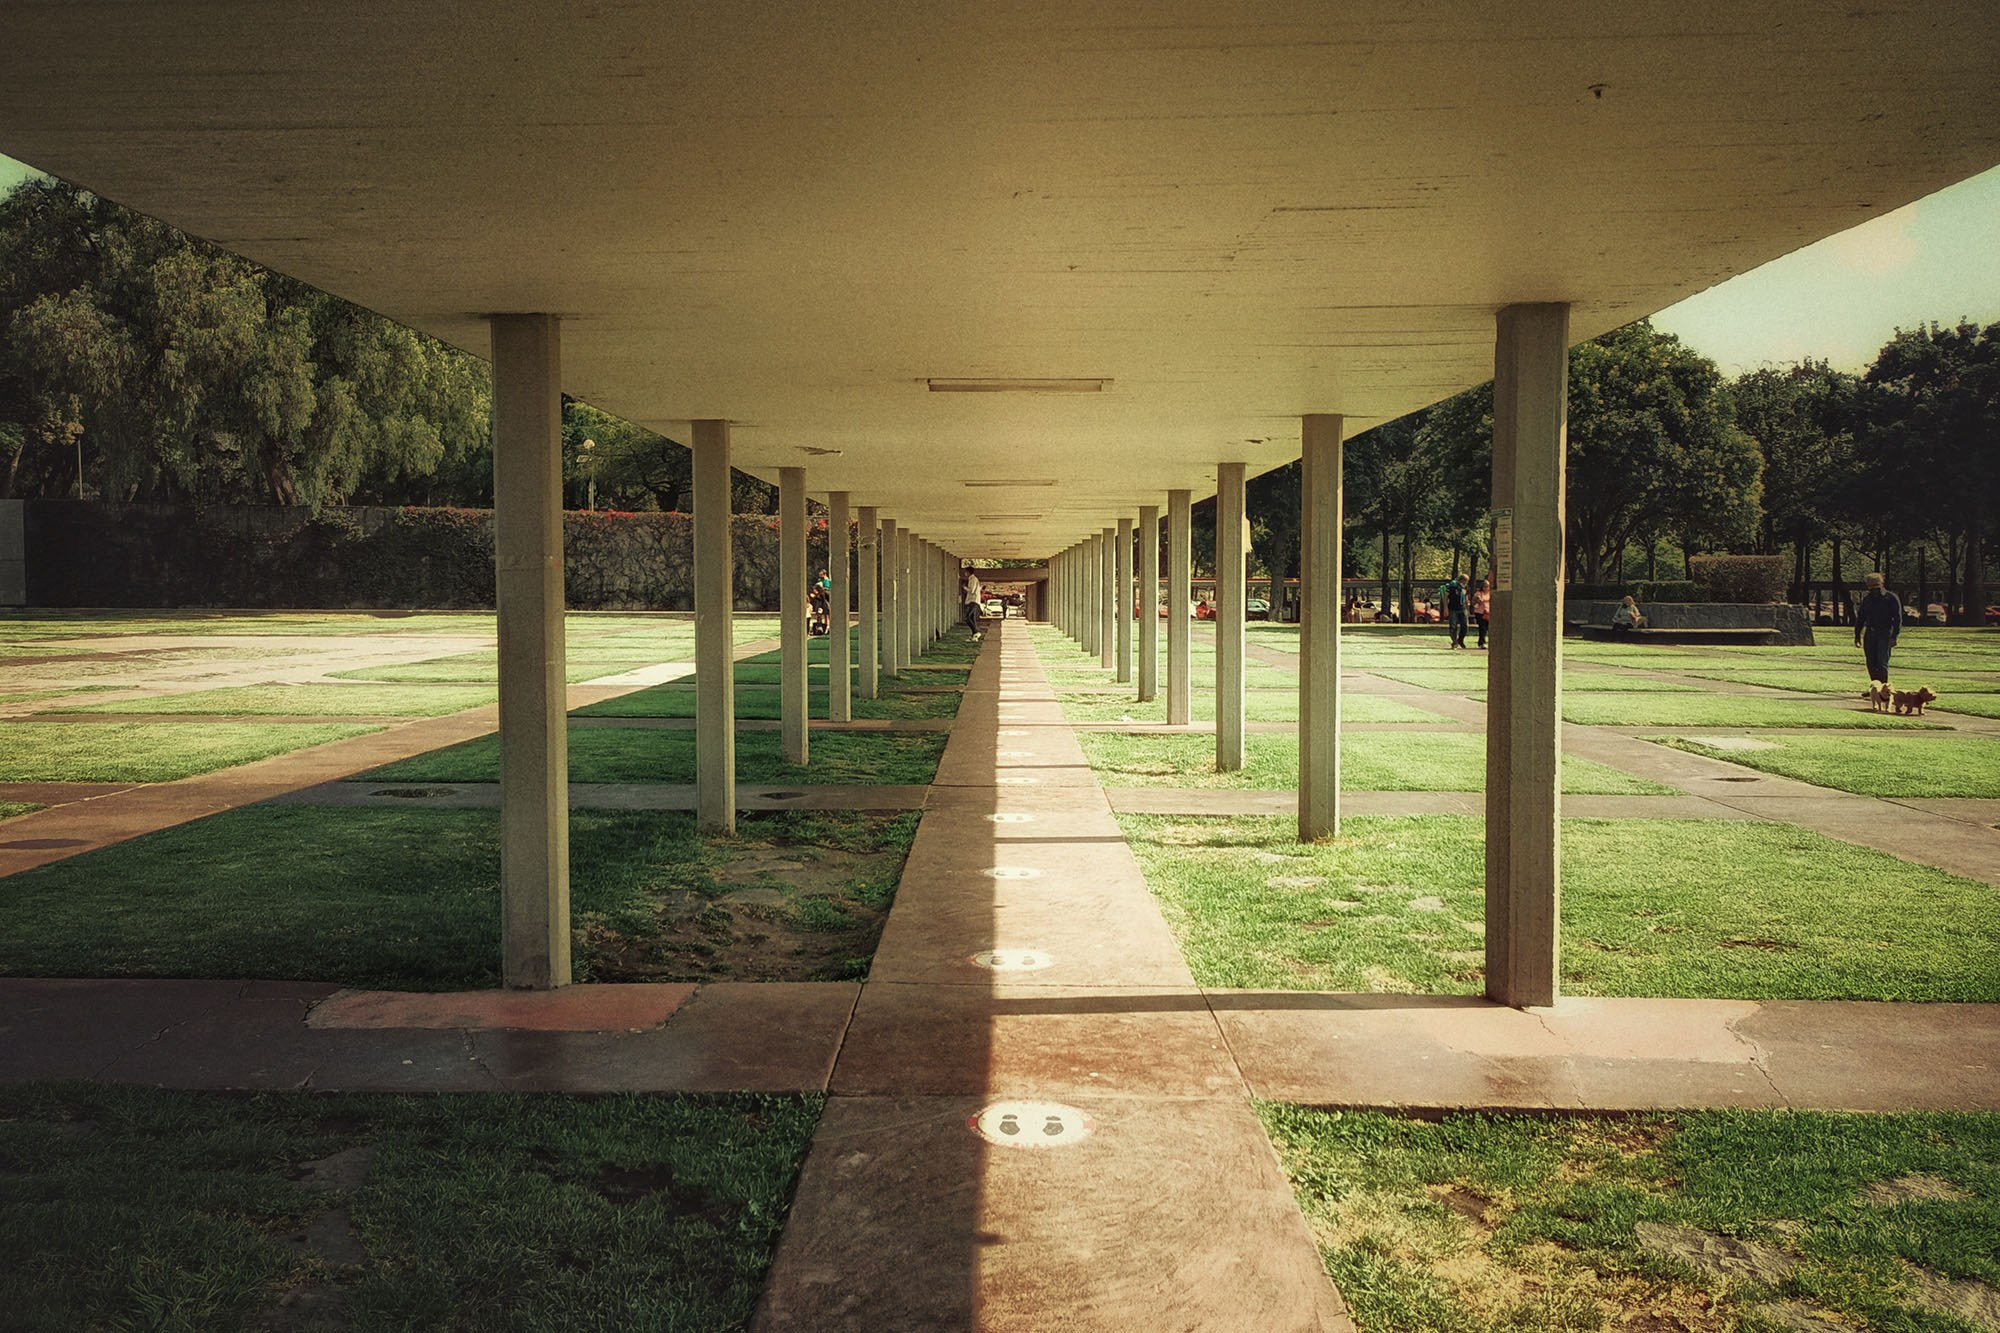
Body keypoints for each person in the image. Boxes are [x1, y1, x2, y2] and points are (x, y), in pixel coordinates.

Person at [1854, 571, 1902, 685]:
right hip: (1870, 633)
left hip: (1885, 633)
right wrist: (1857, 636)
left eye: (1876, 585)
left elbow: (1898, 619)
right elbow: (1860, 618)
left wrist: (1894, 636)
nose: (1874, 589)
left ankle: (1884, 688)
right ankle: (1875, 687)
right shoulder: (1867, 599)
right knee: (1870, 662)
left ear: (1881, 583)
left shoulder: (1891, 598)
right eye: (1871, 586)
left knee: (1882, 662)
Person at [1445, 574, 1470, 648]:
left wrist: (1468, 608)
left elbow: (1466, 597)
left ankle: (1460, 640)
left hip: (1463, 608)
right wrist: (1445, 608)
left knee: (1465, 626)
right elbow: (1445, 597)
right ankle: (1454, 642)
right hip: (1453, 608)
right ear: (1461, 580)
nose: (1466, 583)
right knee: (1453, 626)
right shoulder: (1452, 586)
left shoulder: (1465, 587)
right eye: (1465, 581)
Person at [961, 566, 983, 633]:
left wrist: (964, 587)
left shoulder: (973, 579)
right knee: (972, 618)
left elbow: (972, 590)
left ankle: (976, 632)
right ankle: (974, 634)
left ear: (968, 572)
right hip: (974, 600)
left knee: (967, 617)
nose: (965, 573)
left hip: (973, 600)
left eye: (966, 572)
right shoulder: (973, 579)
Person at [1471, 579, 1491, 648]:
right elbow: (1473, 602)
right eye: (1485, 586)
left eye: (1487, 586)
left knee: (1488, 628)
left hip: (1488, 613)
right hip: (1480, 613)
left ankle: (1487, 642)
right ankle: (1482, 643)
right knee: (1482, 628)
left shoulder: (1490, 593)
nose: (1486, 588)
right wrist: (1477, 600)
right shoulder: (1478, 593)